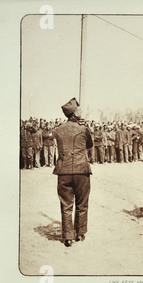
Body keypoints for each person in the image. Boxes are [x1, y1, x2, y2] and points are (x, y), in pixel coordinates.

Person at [53, 98, 93, 247]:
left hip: (63, 171)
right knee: (82, 203)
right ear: (75, 113)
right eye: (80, 110)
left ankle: (67, 237)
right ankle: (80, 233)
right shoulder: (83, 129)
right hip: (81, 171)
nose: (82, 112)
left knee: (66, 204)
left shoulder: (57, 130)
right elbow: (89, 144)